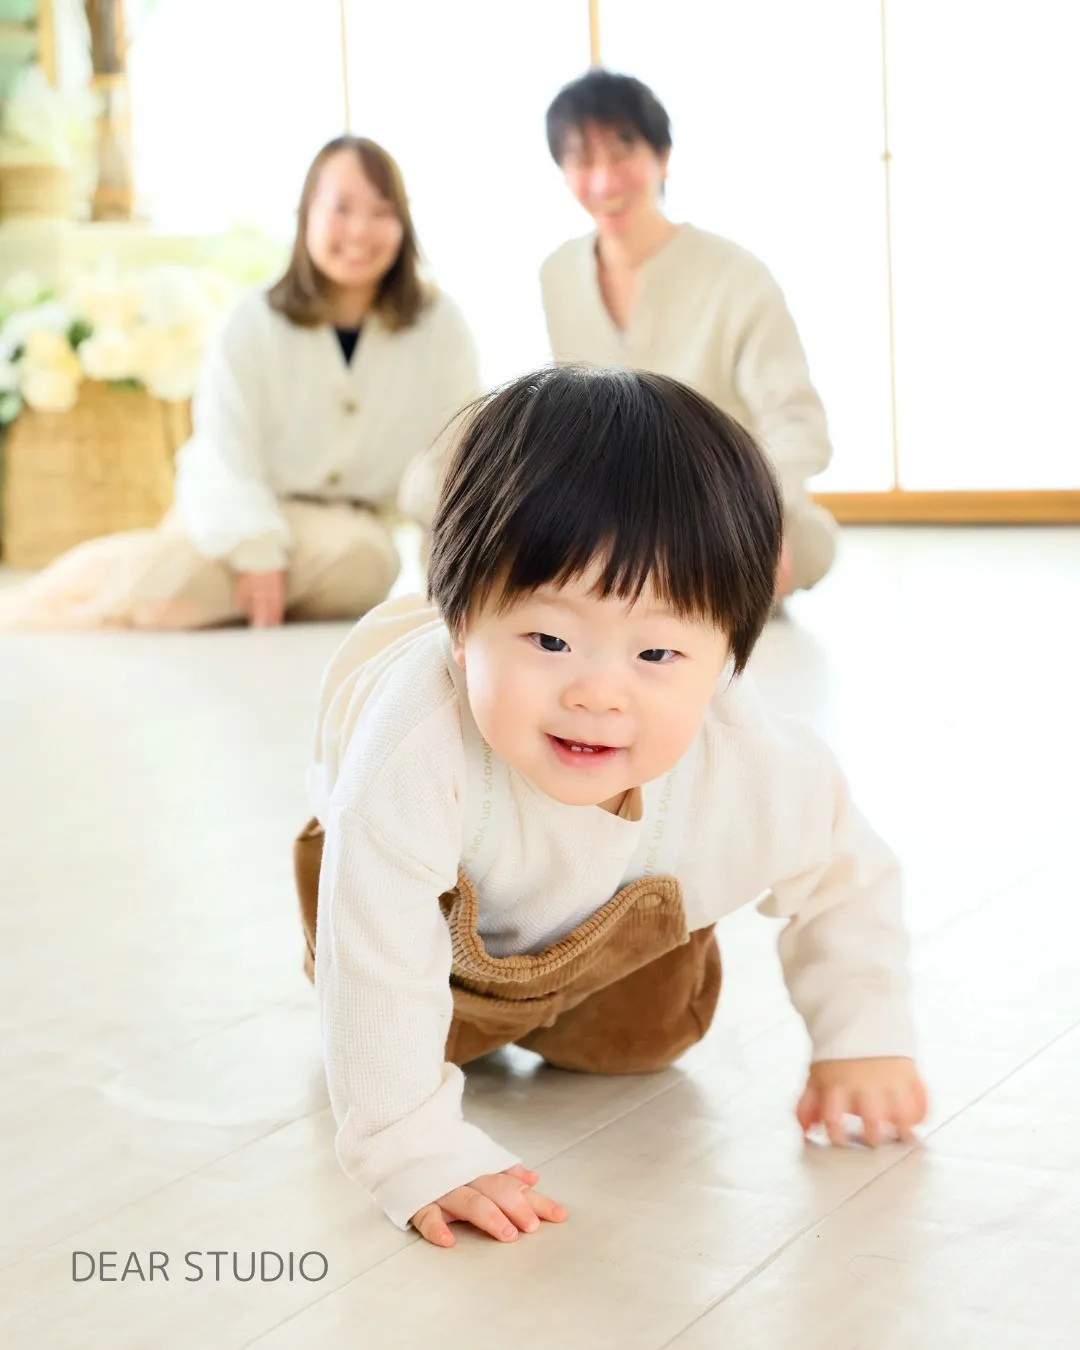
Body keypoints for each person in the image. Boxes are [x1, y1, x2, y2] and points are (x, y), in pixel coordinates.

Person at [294, 365, 927, 1248]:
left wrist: (865, 1037)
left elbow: (845, 876)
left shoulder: (756, 766)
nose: (597, 693)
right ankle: (442, 1038)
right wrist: (411, 1150)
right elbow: (378, 944)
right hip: (419, 924)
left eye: (658, 654)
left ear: (727, 657)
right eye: (549, 638)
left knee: (642, 1044)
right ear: (460, 623)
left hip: (606, 924)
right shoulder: (410, 748)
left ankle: (575, 1004)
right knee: (403, 1025)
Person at [0, 136, 479, 631]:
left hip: (352, 538)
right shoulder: (254, 320)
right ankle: (59, 600)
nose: (360, 230)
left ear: (403, 221)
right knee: (177, 581)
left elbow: (453, 461)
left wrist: (456, 584)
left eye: (381, 211)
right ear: (306, 215)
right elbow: (221, 450)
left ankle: (135, 598)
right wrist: (255, 549)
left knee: (366, 561)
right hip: (231, 515)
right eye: (341, 208)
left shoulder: (440, 326)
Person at [540, 69, 838, 600]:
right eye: (582, 160)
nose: (604, 182)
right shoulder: (557, 272)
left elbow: (799, 423)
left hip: (722, 507)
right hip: (608, 515)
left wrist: (755, 510)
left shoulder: (737, 274)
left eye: (622, 153)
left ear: (663, 156)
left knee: (810, 540)